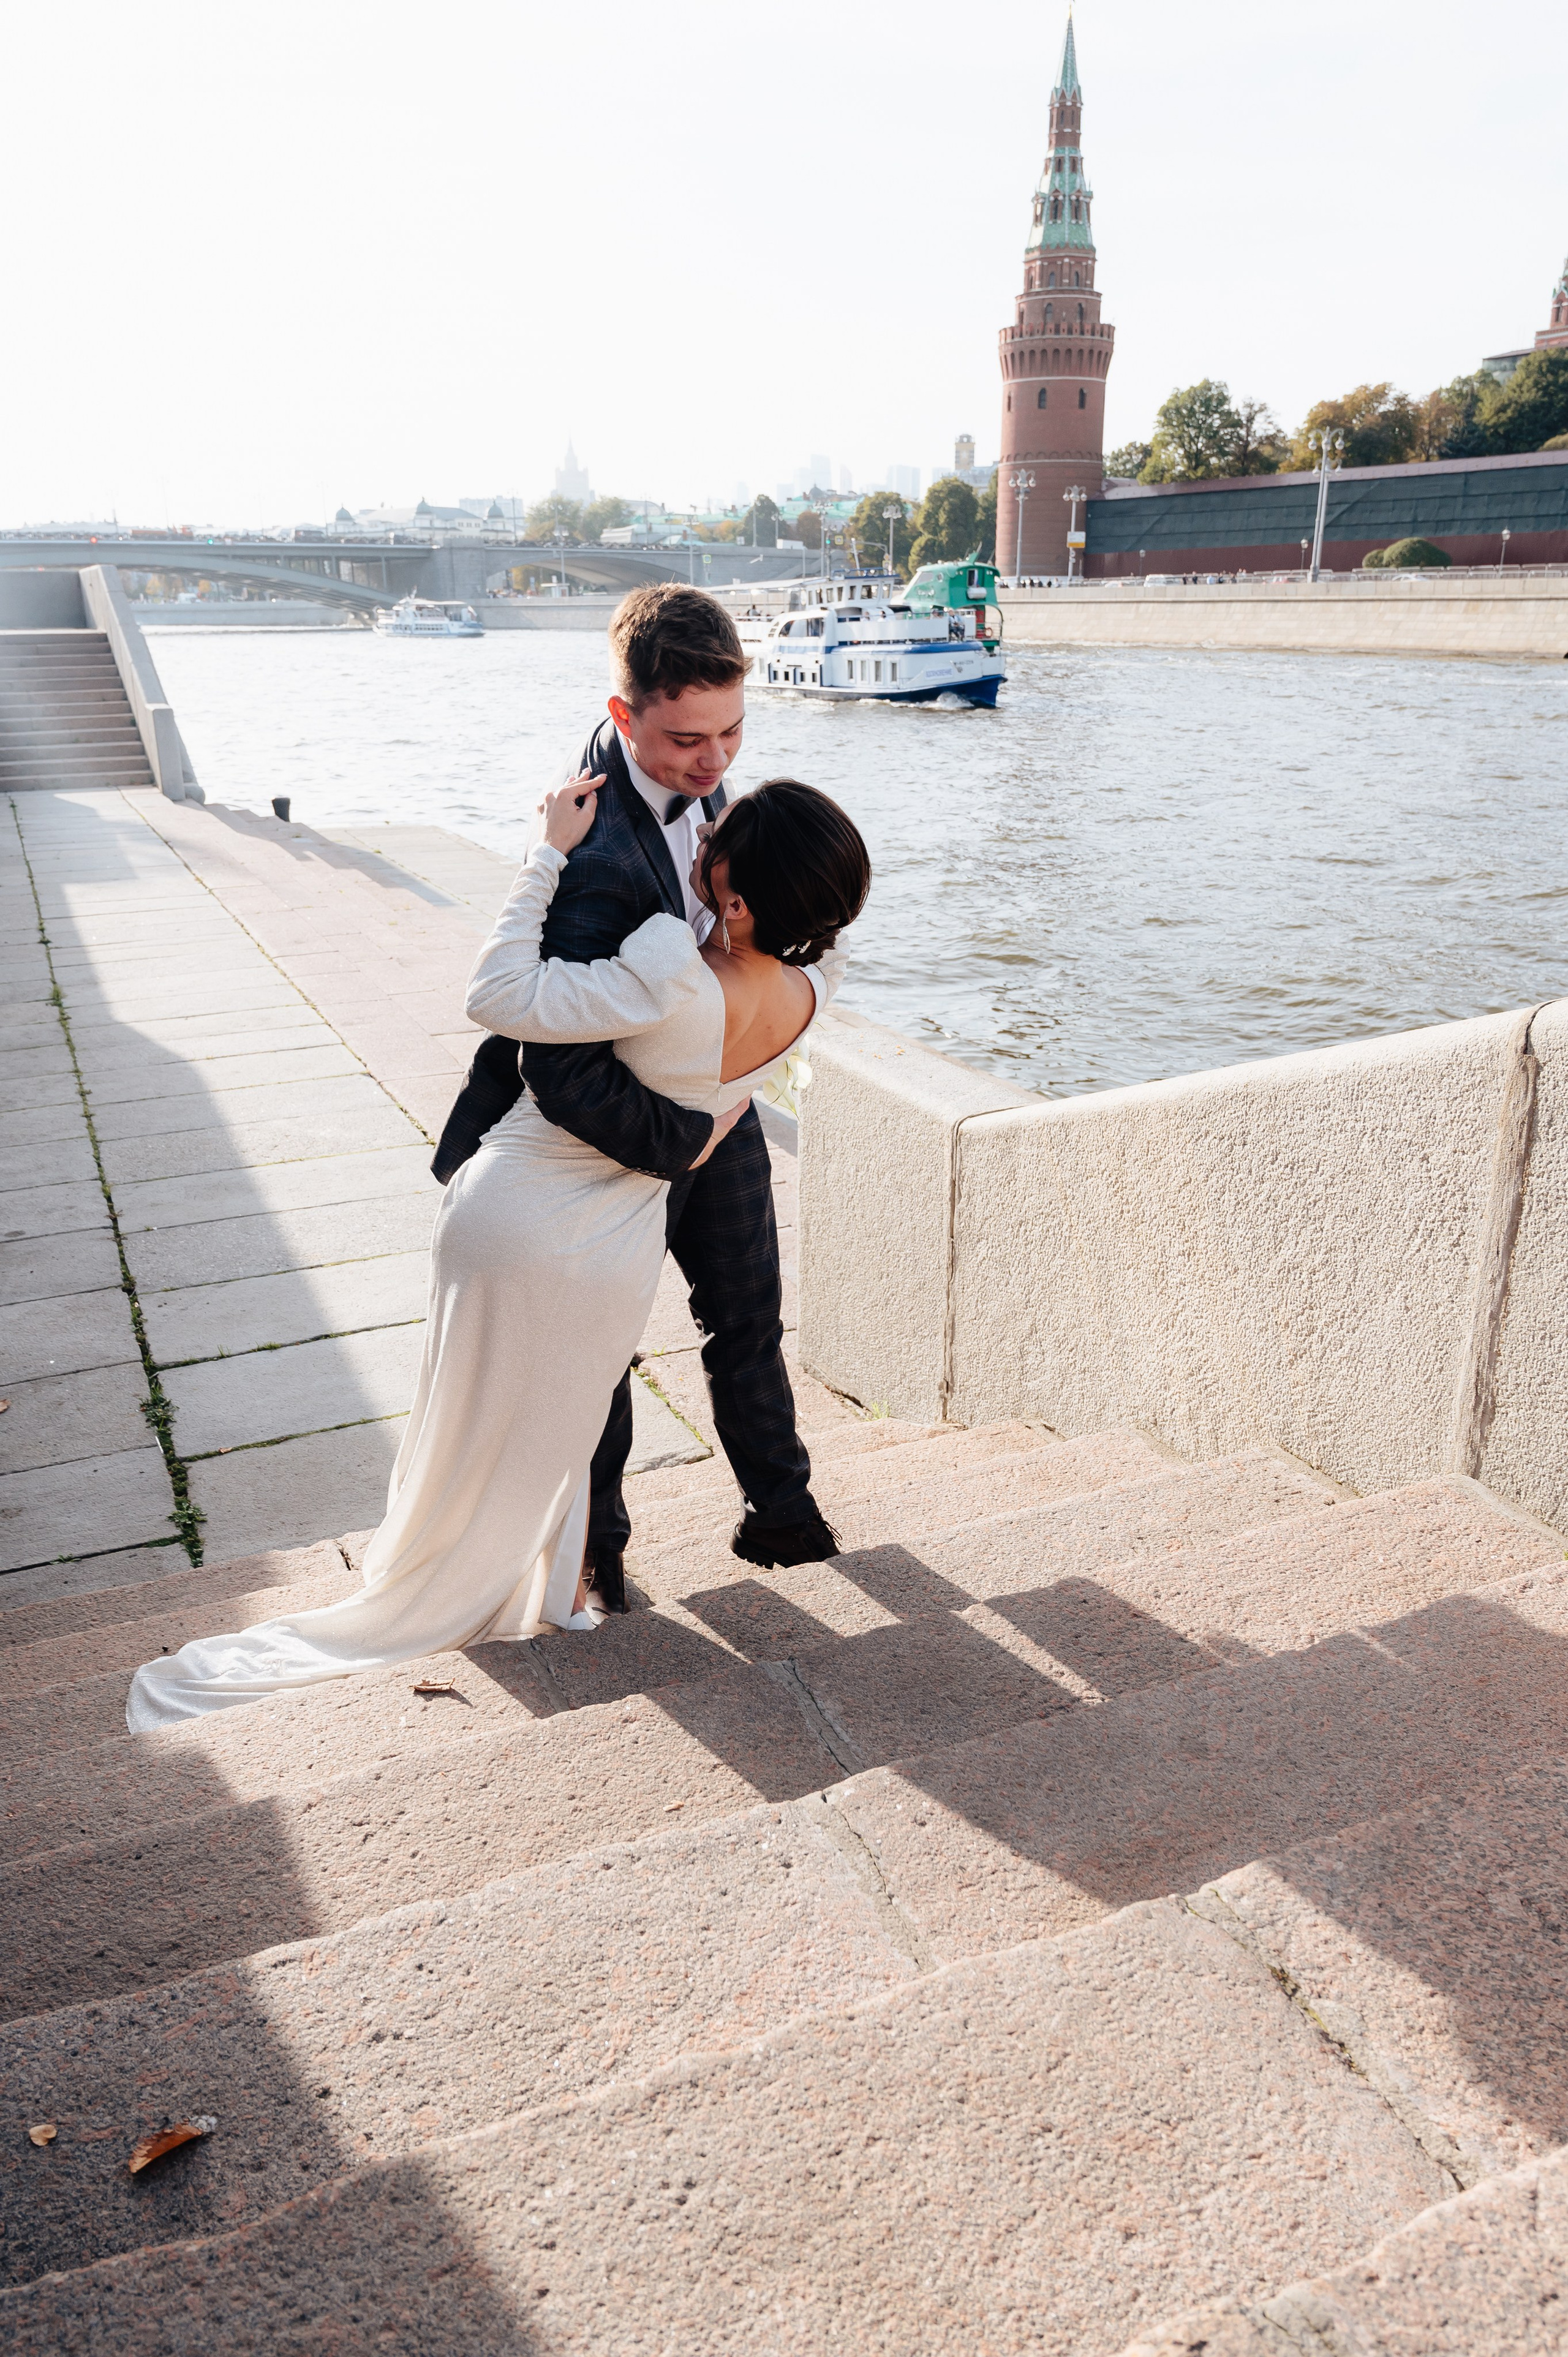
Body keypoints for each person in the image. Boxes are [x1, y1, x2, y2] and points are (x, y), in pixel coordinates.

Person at [126, 776, 870, 1730]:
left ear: (735, 901)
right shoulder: (815, 990)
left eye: (715, 850)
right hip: (619, 1251)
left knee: (466, 1418)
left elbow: (498, 994)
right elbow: (798, 948)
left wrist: (547, 856)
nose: (701, 840)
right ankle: (541, 1593)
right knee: (553, 1440)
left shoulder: (667, 967)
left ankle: (439, 1583)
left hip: (517, 1218)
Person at [432, 585, 845, 1616]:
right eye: (686, 739)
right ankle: (599, 1562)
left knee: (750, 1321)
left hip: (710, 1109)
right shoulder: (588, 847)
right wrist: (687, 1137)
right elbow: (554, 1061)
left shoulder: (714, 790)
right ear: (624, 717)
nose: (715, 763)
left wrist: (727, 1098)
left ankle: (784, 1518)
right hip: (621, 1136)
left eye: (733, 731)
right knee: (599, 1350)